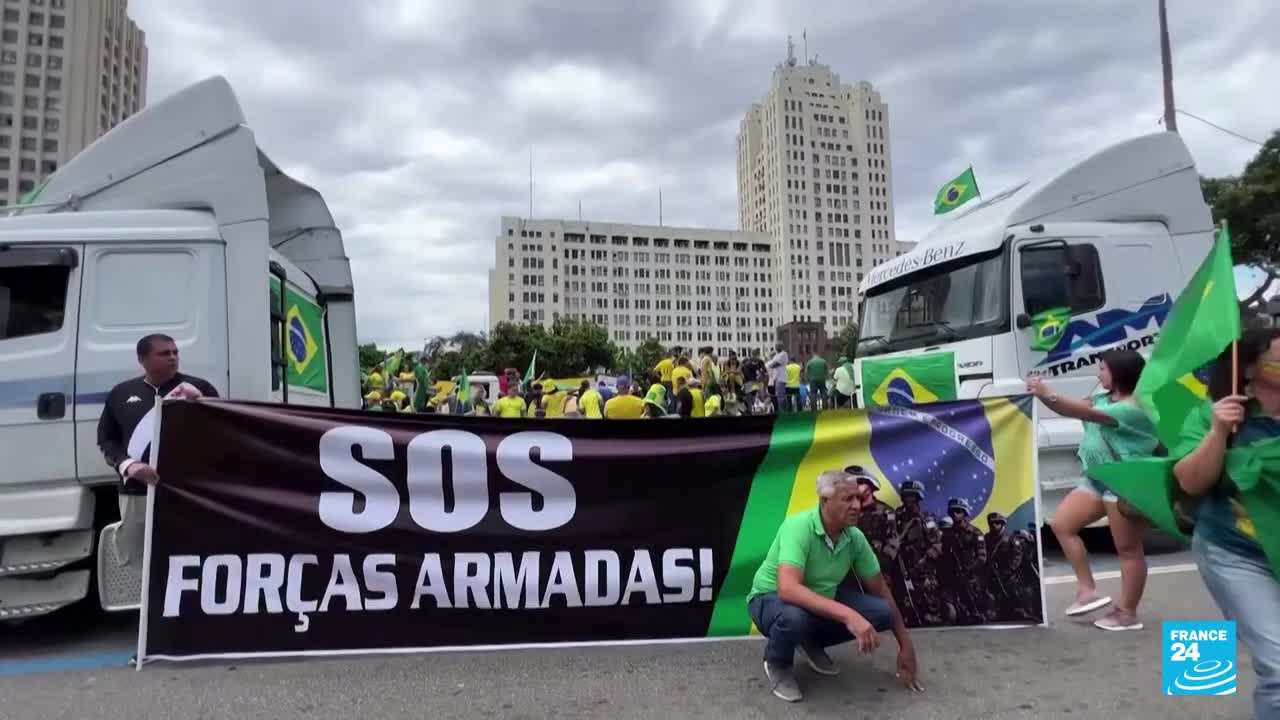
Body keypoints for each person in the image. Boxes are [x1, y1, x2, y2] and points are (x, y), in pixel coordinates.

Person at [1174, 328, 1280, 717]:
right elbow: (1189, 481)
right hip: (1235, 553)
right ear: (1250, 369)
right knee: (1279, 669)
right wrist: (1219, 431)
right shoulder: (1212, 414)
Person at [747, 469, 923, 703]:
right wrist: (849, 615)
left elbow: (880, 589)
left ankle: (809, 641)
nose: (857, 506)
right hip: (770, 600)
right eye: (847, 499)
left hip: (819, 599)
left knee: (882, 612)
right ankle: (778, 663)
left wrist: (906, 645)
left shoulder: (855, 537)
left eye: (858, 498)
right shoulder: (798, 527)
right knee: (793, 618)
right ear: (824, 501)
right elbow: (788, 589)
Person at [1027, 348, 1156, 630]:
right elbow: (1068, 406)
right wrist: (1043, 394)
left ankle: (1127, 612)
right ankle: (1087, 591)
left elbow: (1077, 410)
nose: (1098, 374)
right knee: (1062, 524)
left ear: (1119, 374)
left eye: (1102, 369)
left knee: (1128, 549)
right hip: (1096, 478)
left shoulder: (1131, 409)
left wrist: (1044, 391)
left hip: (1124, 481)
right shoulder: (1103, 397)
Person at [97, 334, 218, 565]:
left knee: (191, 557)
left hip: (188, 492)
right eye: (164, 353)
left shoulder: (198, 388)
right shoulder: (121, 393)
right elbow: (106, 440)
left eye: (175, 352)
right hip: (138, 493)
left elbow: (224, 431)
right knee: (140, 560)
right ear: (143, 360)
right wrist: (128, 465)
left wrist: (204, 405)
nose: (173, 357)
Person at [766, 344, 789, 411]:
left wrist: (771, 364)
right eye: (776, 346)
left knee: (780, 395)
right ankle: (780, 410)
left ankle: (783, 410)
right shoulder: (777, 355)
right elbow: (772, 363)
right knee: (777, 396)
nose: (777, 347)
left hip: (781, 378)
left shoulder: (783, 354)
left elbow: (774, 364)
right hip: (776, 378)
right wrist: (772, 364)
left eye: (778, 346)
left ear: (782, 347)